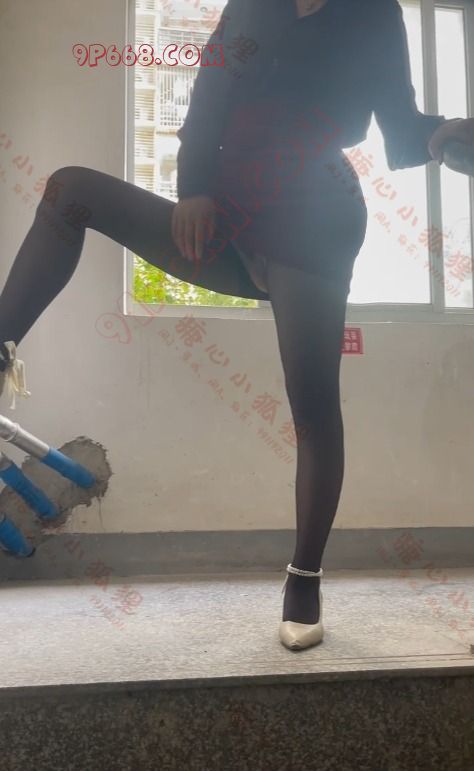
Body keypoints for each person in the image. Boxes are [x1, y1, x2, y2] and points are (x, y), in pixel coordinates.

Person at [0, 0, 472, 650]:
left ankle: (304, 580)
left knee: (312, 406)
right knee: (70, 190)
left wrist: (441, 136)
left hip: (314, 222)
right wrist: (193, 187)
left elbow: (399, 128)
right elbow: (209, 92)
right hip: (224, 214)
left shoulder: (373, 14)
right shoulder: (253, 4)